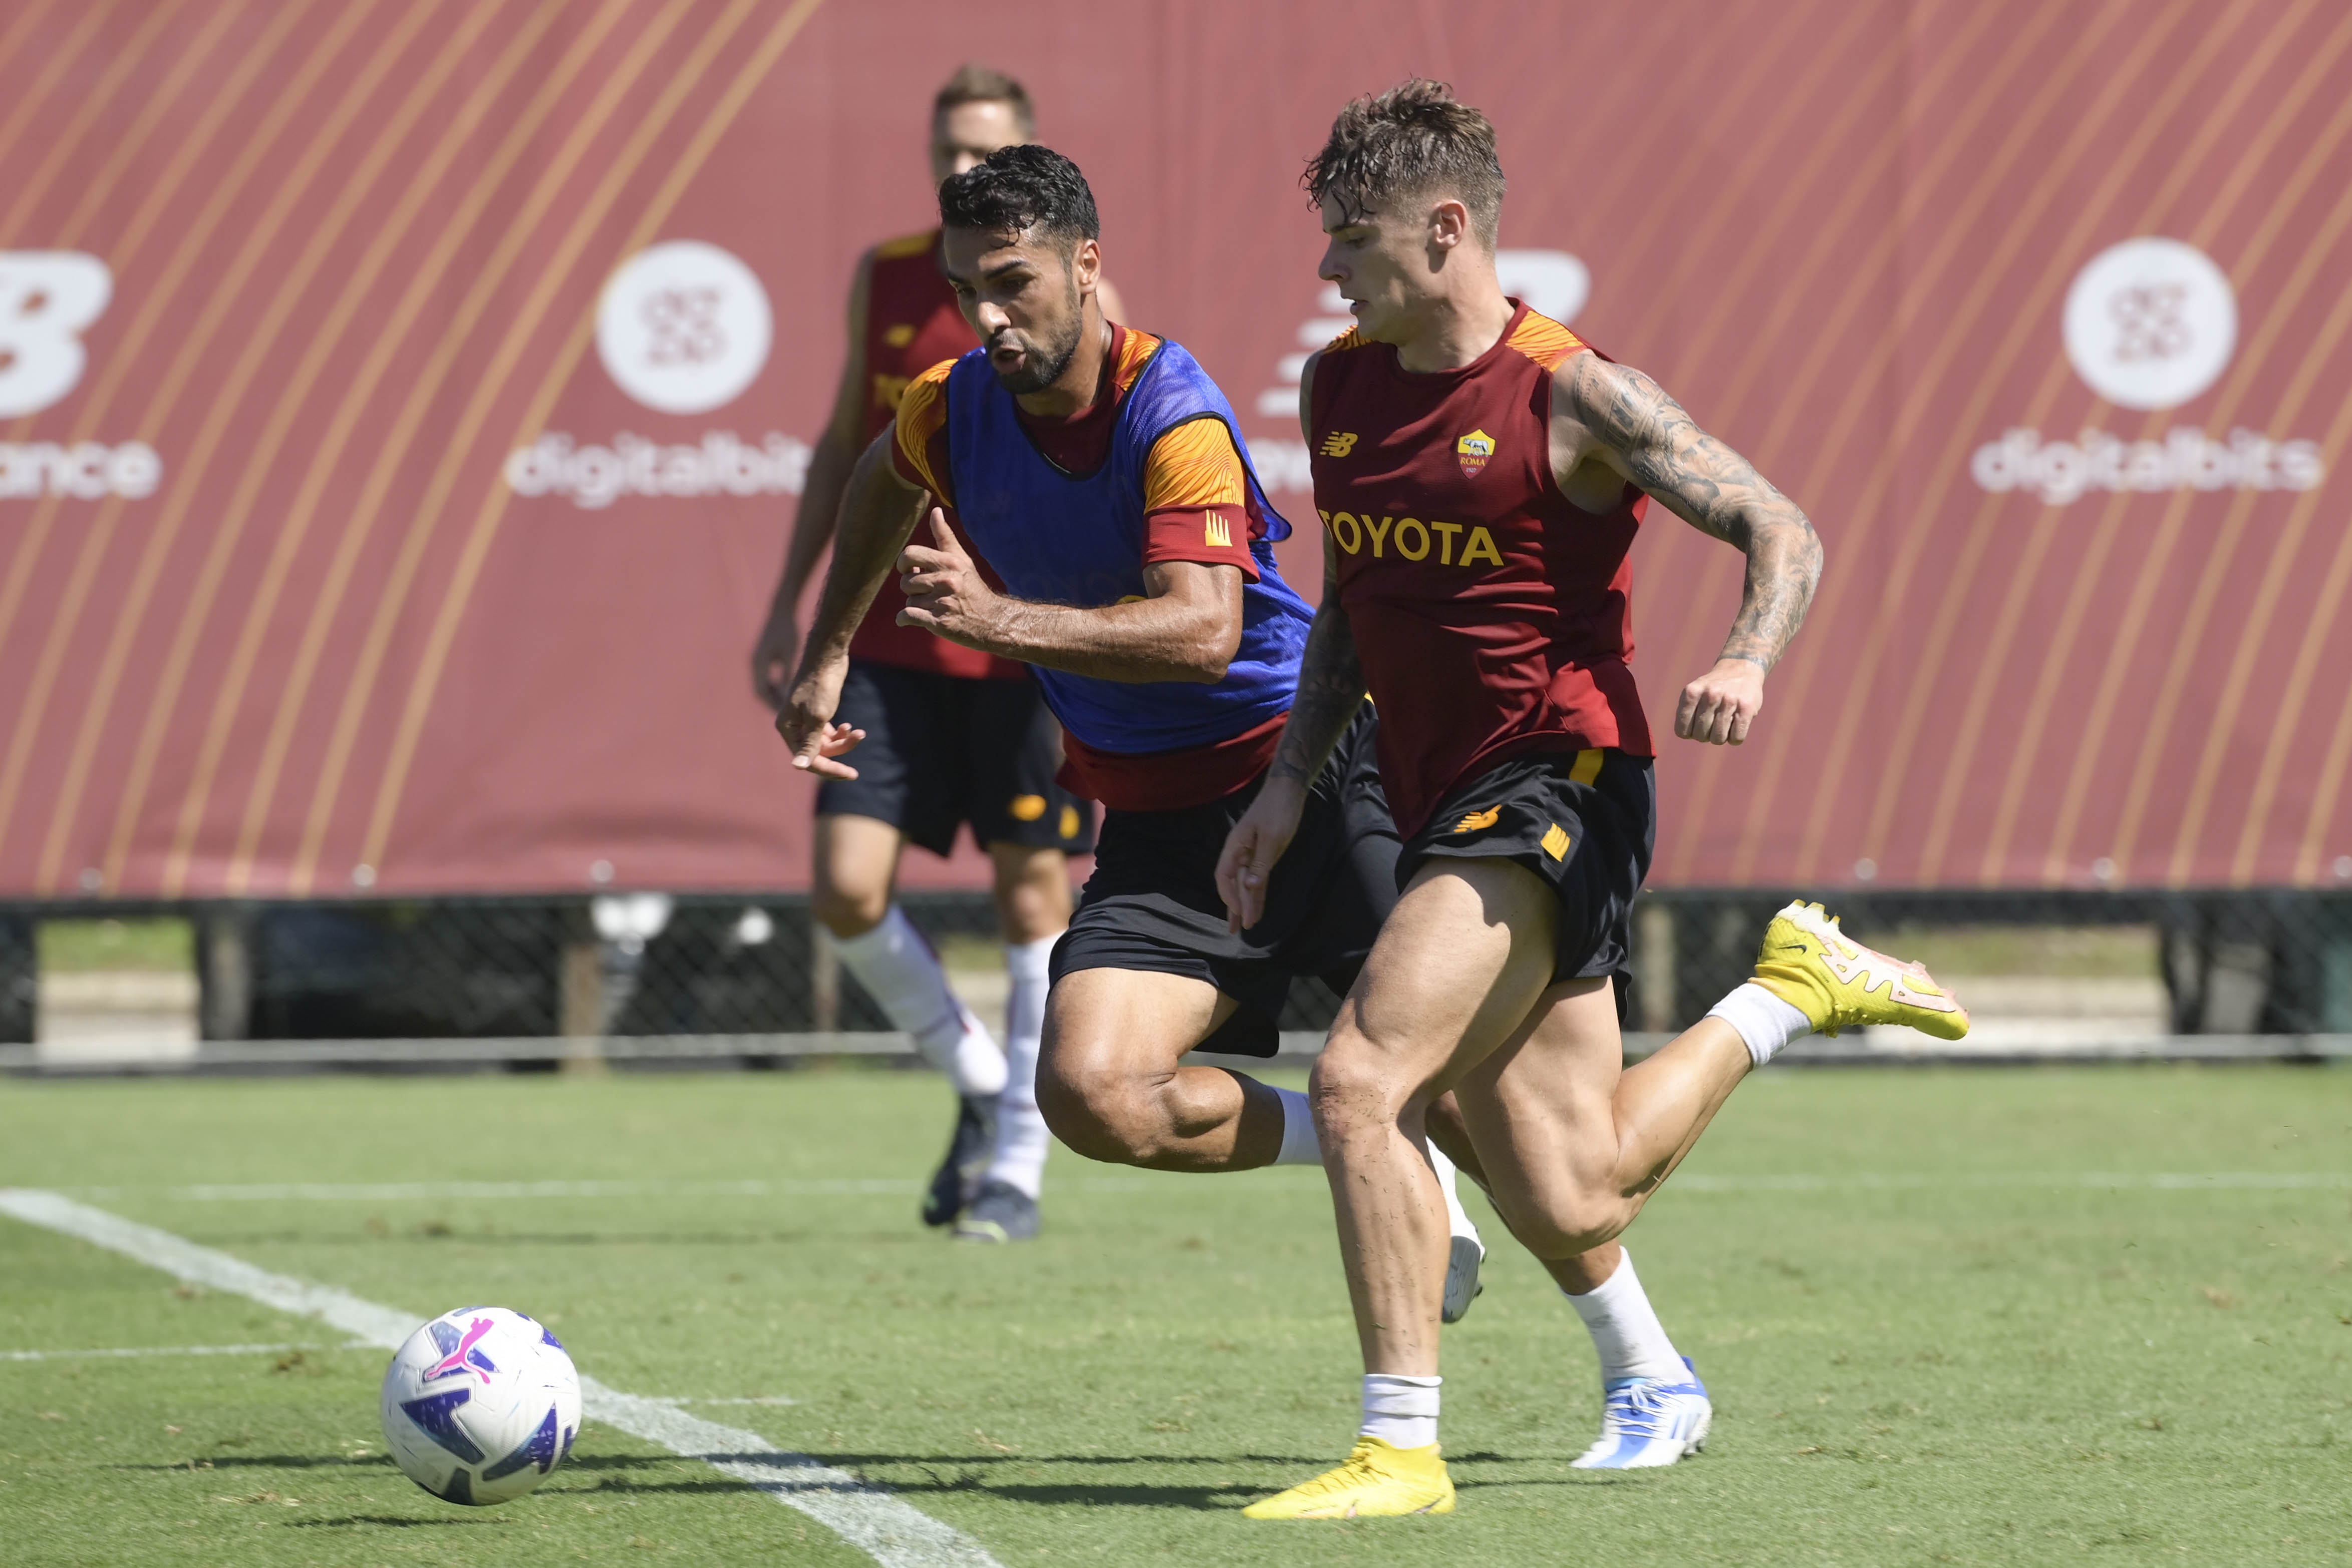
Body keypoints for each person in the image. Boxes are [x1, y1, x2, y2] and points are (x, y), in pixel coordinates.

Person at [1223, 82, 1971, 1519]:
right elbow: (1351, 605)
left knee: (1364, 1077)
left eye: (1353, 239)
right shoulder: (1339, 387)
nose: (1329, 269)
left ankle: (1397, 1449)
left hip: (1559, 782)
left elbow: (1780, 523)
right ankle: (1791, 992)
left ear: (1447, 231)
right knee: (1571, 1194)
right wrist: (1285, 783)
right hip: (1433, 788)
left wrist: (1746, 656)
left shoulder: (1574, 391)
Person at [776, 143, 1519, 1301]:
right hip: (1159, 811)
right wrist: (826, 654)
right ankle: (1372, 1141)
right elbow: (880, 477)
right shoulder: (953, 403)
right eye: (968, 288)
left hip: (1309, 771)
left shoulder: (1172, 414)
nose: (988, 316)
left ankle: (1638, 1358)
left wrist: (994, 621)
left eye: (1011, 281)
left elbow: (1201, 633)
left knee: (1499, 1116)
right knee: (1090, 1092)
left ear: (1086, 266)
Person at [750, 66, 1126, 1240]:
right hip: (898, 634)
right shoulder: (893, 274)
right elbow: (846, 448)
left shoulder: (1060, 294)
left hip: (1019, 642)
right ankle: (977, 1081)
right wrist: (792, 608)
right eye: (946, 153)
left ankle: (1017, 1158)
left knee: (1031, 894)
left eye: (984, 151)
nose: (961, 172)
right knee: (845, 889)